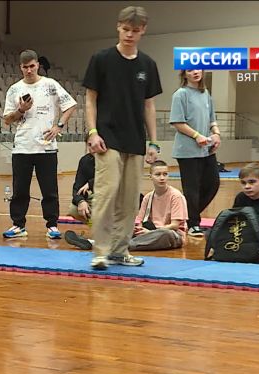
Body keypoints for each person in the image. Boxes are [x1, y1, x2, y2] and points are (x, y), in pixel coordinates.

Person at [83, 5, 161, 270]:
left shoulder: (147, 64)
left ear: (143, 31)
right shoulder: (101, 59)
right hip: (107, 138)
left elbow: (148, 105)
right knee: (106, 195)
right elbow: (90, 99)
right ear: (118, 27)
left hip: (135, 140)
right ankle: (100, 252)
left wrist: (153, 142)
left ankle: (120, 250)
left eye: (135, 31)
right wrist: (92, 132)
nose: (129, 34)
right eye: (125, 29)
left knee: (129, 201)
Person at [2, 49, 77, 240]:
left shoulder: (50, 85)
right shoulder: (14, 89)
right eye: (25, 67)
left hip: (46, 147)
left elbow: (71, 105)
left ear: (38, 65)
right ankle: (18, 225)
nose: (29, 70)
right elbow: (7, 120)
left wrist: (58, 125)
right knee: (19, 189)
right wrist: (21, 109)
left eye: (32, 66)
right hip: (22, 147)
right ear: (21, 67)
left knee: (49, 189)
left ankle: (52, 225)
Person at [170, 69, 221, 238]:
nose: (195, 72)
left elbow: (212, 119)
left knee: (213, 183)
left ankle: (184, 216)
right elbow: (178, 122)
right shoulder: (180, 94)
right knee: (192, 189)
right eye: (190, 70)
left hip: (206, 149)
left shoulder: (205, 93)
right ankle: (193, 223)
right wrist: (196, 135)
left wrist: (216, 134)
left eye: (197, 69)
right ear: (184, 74)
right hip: (187, 150)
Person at [129, 160, 187, 251]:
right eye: (158, 174)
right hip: (150, 233)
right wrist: (139, 230)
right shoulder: (148, 197)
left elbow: (174, 225)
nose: (162, 178)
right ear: (150, 177)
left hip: (171, 234)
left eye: (165, 174)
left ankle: (129, 245)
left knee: (166, 234)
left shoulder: (176, 196)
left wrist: (151, 232)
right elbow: (140, 221)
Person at [63, 151, 96, 251]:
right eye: (89, 145)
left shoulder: (113, 157)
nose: (92, 148)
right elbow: (77, 187)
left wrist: (91, 183)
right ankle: (96, 238)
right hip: (97, 197)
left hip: (115, 200)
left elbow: (112, 178)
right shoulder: (86, 161)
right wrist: (81, 201)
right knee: (74, 209)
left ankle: (92, 242)